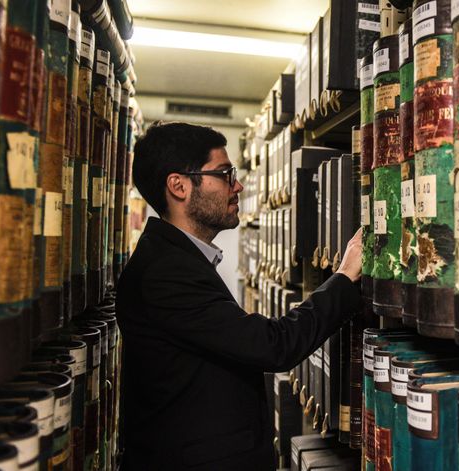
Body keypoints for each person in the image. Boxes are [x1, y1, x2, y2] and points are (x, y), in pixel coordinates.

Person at [116, 122, 363, 470]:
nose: (238, 185)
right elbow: (272, 345)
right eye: (224, 174)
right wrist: (344, 276)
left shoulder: (174, 258)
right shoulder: (165, 272)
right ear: (179, 185)